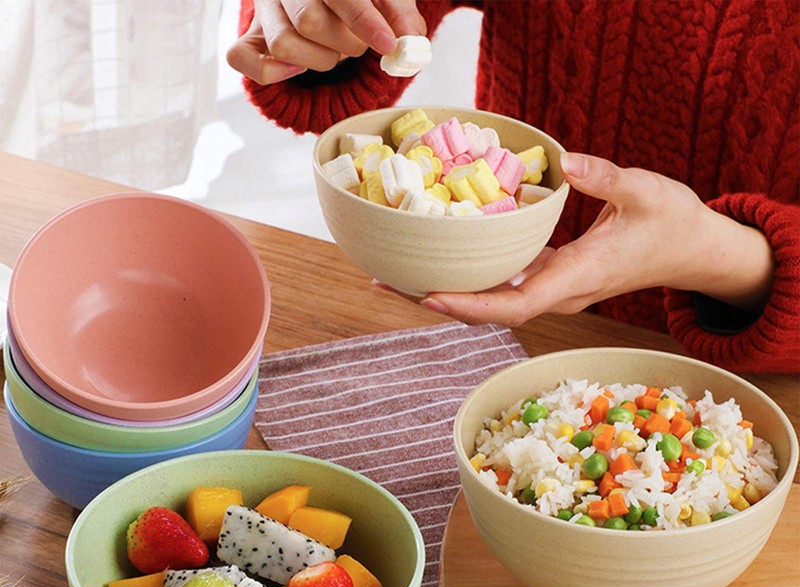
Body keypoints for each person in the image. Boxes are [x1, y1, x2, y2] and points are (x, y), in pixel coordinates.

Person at [227, 0, 799, 374]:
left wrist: (715, 255)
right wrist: (313, 25)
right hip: (485, 333)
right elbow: (371, 25)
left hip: (745, 393)